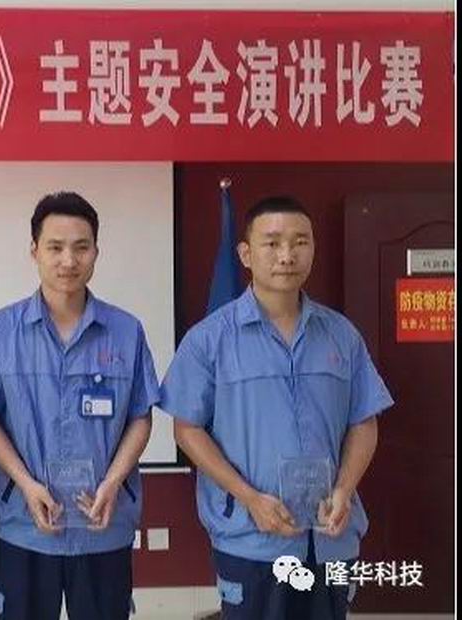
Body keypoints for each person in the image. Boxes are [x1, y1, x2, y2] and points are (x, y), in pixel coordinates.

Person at [159, 196, 394, 619]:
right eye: (272, 243)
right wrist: (249, 498)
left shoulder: (341, 335)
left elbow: (364, 421)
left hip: (330, 536)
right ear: (245, 254)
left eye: (300, 242)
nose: (287, 255)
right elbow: (186, 429)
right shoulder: (209, 340)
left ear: (313, 248)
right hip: (252, 537)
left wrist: (344, 490)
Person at [0, 191, 158, 620]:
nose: (68, 260)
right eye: (55, 247)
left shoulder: (126, 331)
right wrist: (26, 484)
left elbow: (140, 416)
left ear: (96, 252)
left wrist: (112, 482)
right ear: (34, 251)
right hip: (26, 519)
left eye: (81, 247)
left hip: (102, 519)